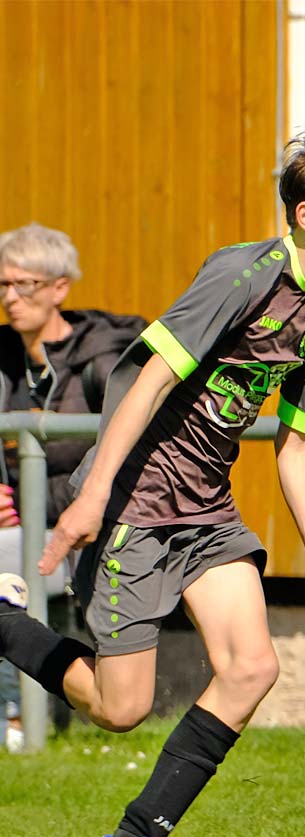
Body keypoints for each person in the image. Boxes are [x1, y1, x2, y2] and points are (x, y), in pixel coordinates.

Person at [0, 128, 305, 837]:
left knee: (251, 667)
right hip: (134, 503)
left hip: (207, 509)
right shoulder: (242, 273)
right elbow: (149, 380)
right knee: (120, 709)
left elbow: (296, 443)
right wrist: (93, 497)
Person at [0, 224, 146, 752]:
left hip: (89, 528)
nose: (11, 298)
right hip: (23, 528)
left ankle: (18, 718)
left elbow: (133, 448)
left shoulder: (103, 360)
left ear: (60, 287)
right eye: (4, 285)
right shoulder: (3, 358)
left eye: (25, 285)